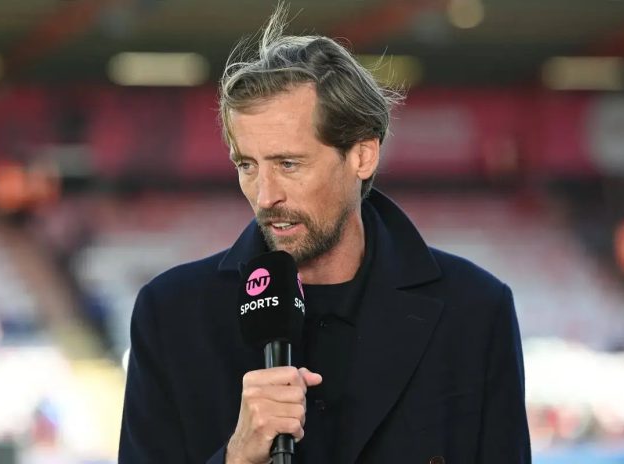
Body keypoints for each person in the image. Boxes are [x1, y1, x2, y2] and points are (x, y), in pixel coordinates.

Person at [119, 5, 531, 464]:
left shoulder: (475, 310)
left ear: (362, 156)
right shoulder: (171, 315)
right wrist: (237, 458)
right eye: (247, 165)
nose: (266, 195)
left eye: (288, 164)